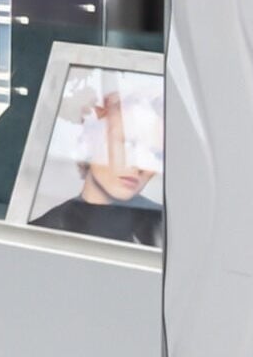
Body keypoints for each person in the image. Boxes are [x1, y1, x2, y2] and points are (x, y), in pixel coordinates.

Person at [29, 73, 163, 247]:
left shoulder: (170, 228)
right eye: (129, 143)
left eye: (156, 154)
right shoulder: (42, 232)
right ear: (88, 140)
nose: (140, 164)